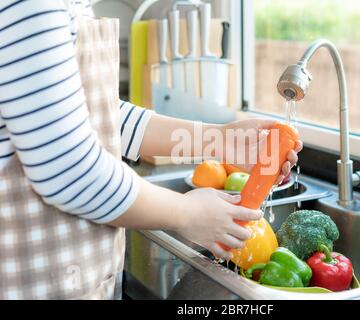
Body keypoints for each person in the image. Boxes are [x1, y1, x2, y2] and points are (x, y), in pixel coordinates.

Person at [0, 0, 301, 299]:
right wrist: (188, 213)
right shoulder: (33, 5)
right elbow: (69, 171)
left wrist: (219, 140)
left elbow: (98, 115)